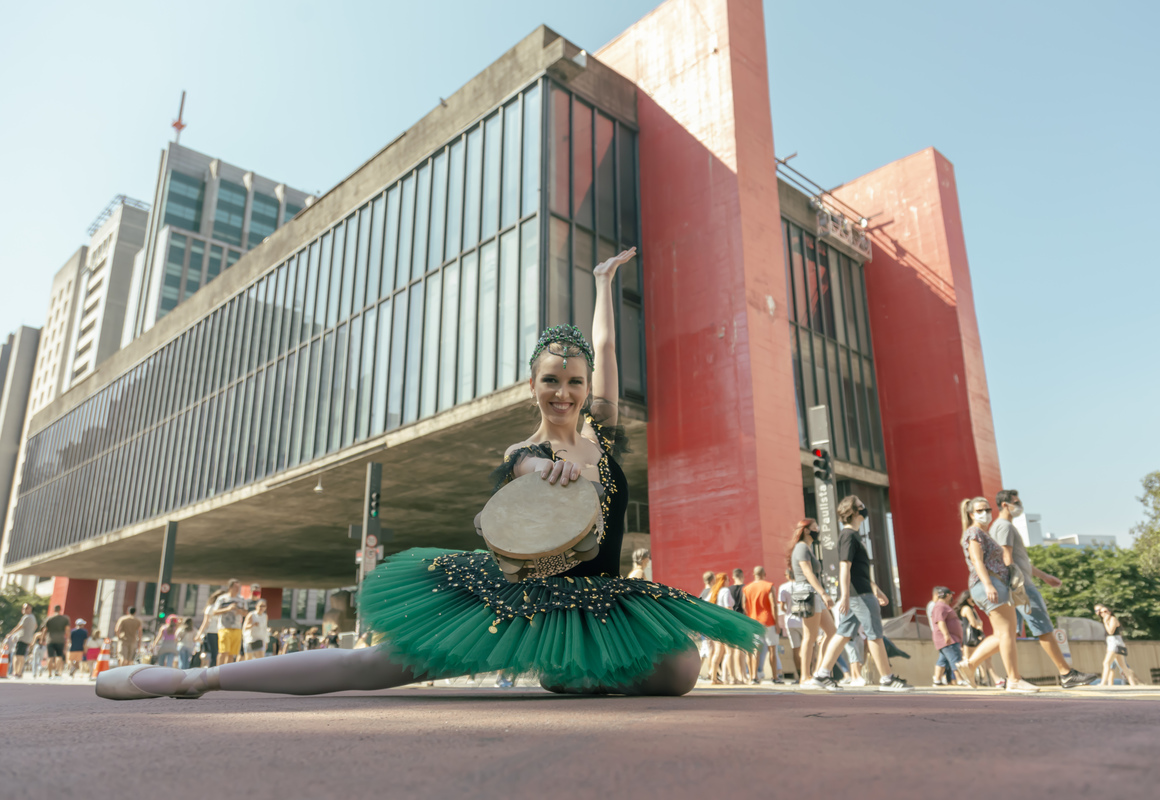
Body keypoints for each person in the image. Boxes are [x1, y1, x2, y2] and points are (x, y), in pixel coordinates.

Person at [96, 249, 762, 701]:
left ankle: (573, 669)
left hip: (596, 606)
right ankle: (190, 683)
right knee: (371, 665)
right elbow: (516, 485)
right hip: (520, 603)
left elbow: (609, 350)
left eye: (575, 380)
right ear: (534, 386)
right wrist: (533, 464)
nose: (563, 391)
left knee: (680, 668)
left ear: (586, 388)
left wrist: (602, 285)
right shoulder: (518, 454)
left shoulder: (603, 435)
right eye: (550, 380)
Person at [991, 490, 1098, 689]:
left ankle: (973, 664)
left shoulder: (1001, 527)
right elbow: (1006, 558)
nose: (1020, 505)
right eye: (1016, 502)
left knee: (1007, 634)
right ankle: (1066, 674)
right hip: (1021, 587)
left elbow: (1018, 561)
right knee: (1043, 627)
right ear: (1005, 504)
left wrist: (1044, 577)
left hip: (1015, 585)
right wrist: (1016, 586)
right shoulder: (1004, 526)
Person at [809, 496, 912, 692]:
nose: (864, 507)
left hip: (860, 593)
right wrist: (846, 596)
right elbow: (844, 567)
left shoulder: (853, 536)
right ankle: (887, 679)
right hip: (859, 596)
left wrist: (876, 589)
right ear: (854, 512)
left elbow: (858, 570)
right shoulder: (848, 536)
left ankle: (821, 675)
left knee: (842, 634)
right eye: (861, 505)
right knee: (874, 634)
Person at [953, 497, 1038, 693]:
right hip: (989, 584)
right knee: (1007, 633)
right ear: (971, 514)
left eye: (988, 509)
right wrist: (989, 584)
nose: (986, 513)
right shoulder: (973, 532)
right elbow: (976, 560)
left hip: (993, 585)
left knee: (1003, 634)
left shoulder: (983, 533)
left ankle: (971, 664)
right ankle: (1014, 680)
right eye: (980, 510)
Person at [786, 519, 836, 687]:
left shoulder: (808, 548)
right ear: (806, 530)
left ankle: (818, 673)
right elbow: (807, 572)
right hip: (807, 593)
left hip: (812, 593)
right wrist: (824, 593)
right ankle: (805, 677)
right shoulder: (801, 547)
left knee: (832, 632)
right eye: (815, 527)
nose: (818, 529)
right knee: (810, 636)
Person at [743, 566, 782, 683]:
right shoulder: (769, 586)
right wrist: (777, 623)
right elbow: (774, 605)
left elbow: (744, 606)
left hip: (754, 622)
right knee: (772, 650)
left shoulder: (747, 588)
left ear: (754, 575)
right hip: (769, 621)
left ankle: (754, 677)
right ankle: (775, 677)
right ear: (764, 574)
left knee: (756, 650)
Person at [955, 594, 1001, 687]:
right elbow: (974, 622)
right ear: (967, 599)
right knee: (982, 658)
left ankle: (980, 680)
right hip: (972, 637)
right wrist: (980, 631)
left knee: (975, 659)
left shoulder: (970, 608)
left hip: (968, 638)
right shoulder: (967, 609)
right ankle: (990, 680)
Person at [703, 572, 740, 685]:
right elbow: (728, 608)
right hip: (726, 624)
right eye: (728, 580)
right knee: (730, 651)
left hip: (715, 625)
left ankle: (714, 677)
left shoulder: (713, 592)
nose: (729, 582)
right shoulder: (725, 591)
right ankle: (732, 678)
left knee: (718, 652)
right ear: (724, 581)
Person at [1095, 604, 1139, 686]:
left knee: (1106, 663)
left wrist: (1105, 622)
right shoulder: (1107, 620)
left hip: (1115, 643)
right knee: (1123, 666)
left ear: (1110, 612)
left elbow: (1111, 632)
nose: (1103, 613)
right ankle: (1133, 684)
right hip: (1112, 643)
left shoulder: (1112, 619)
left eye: (1105, 611)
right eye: (1101, 612)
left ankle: (1103, 683)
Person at [929, 587, 964, 687]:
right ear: (947, 595)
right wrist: (946, 635)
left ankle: (937, 680)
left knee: (943, 660)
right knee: (955, 658)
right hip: (948, 639)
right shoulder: (940, 606)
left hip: (948, 638)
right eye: (951, 594)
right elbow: (940, 621)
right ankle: (960, 680)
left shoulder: (942, 606)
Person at [211, 580, 248, 665]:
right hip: (224, 627)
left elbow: (246, 613)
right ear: (230, 587)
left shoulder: (241, 599)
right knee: (223, 651)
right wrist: (227, 609)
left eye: (238, 587)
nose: (237, 589)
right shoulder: (222, 599)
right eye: (235, 587)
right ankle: (218, 671)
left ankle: (227, 674)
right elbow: (214, 612)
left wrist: (240, 611)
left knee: (232, 654)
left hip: (237, 628)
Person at [5, 603, 38, 678]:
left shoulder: (26, 617)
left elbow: (19, 626)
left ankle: (16, 672)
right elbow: (35, 626)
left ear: (30, 609)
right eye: (23, 608)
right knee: (22, 655)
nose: (24, 610)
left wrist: (10, 634)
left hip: (22, 638)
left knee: (16, 655)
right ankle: (19, 672)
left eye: (26, 608)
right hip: (28, 638)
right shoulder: (33, 617)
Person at [41, 605, 71, 678]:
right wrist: (69, 639)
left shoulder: (49, 618)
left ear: (54, 609)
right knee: (59, 656)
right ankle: (58, 672)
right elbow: (67, 629)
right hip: (60, 640)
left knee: (50, 657)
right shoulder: (65, 619)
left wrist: (42, 639)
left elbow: (45, 630)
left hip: (50, 640)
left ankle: (50, 673)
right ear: (60, 610)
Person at [195, 590, 223, 667]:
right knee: (215, 654)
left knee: (220, 654)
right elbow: (205, 622)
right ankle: (212, 672)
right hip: (212, 632)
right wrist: (199, 634)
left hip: (222, 631)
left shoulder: (223, 608)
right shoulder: (211, 607)